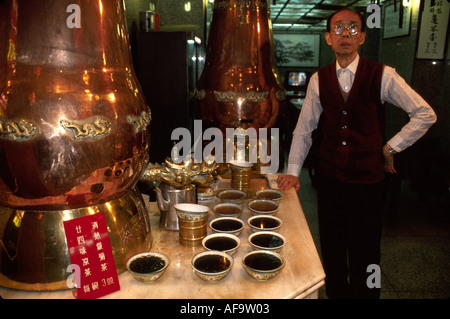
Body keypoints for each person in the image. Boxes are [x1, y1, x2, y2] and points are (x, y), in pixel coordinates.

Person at [277, 9, 436, 299]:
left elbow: (425, 114)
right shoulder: (319, 79)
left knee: (366, 253)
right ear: (328, 38)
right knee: (333, 250)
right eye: (338, 28)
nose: (345, 33)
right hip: (329, 180)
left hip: (367, 182)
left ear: (362, 36)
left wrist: (390, 146)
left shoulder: (383, 75)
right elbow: (304, 129)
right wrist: (292, 171)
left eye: (353, 28)